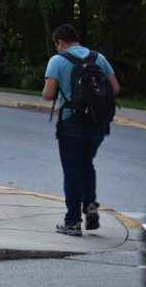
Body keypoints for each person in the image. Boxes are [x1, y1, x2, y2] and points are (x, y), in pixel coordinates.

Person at [42, 24, 120, 236]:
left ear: (61, 42)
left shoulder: (57, 61)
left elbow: (48, 94)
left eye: (57, 45)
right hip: (97, 124)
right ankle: (91, 205)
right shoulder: (98, 58)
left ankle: (73, 222)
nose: (57, 49)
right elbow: (115, 88)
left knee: (72, 171)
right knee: (87, 165)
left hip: (71, 123)